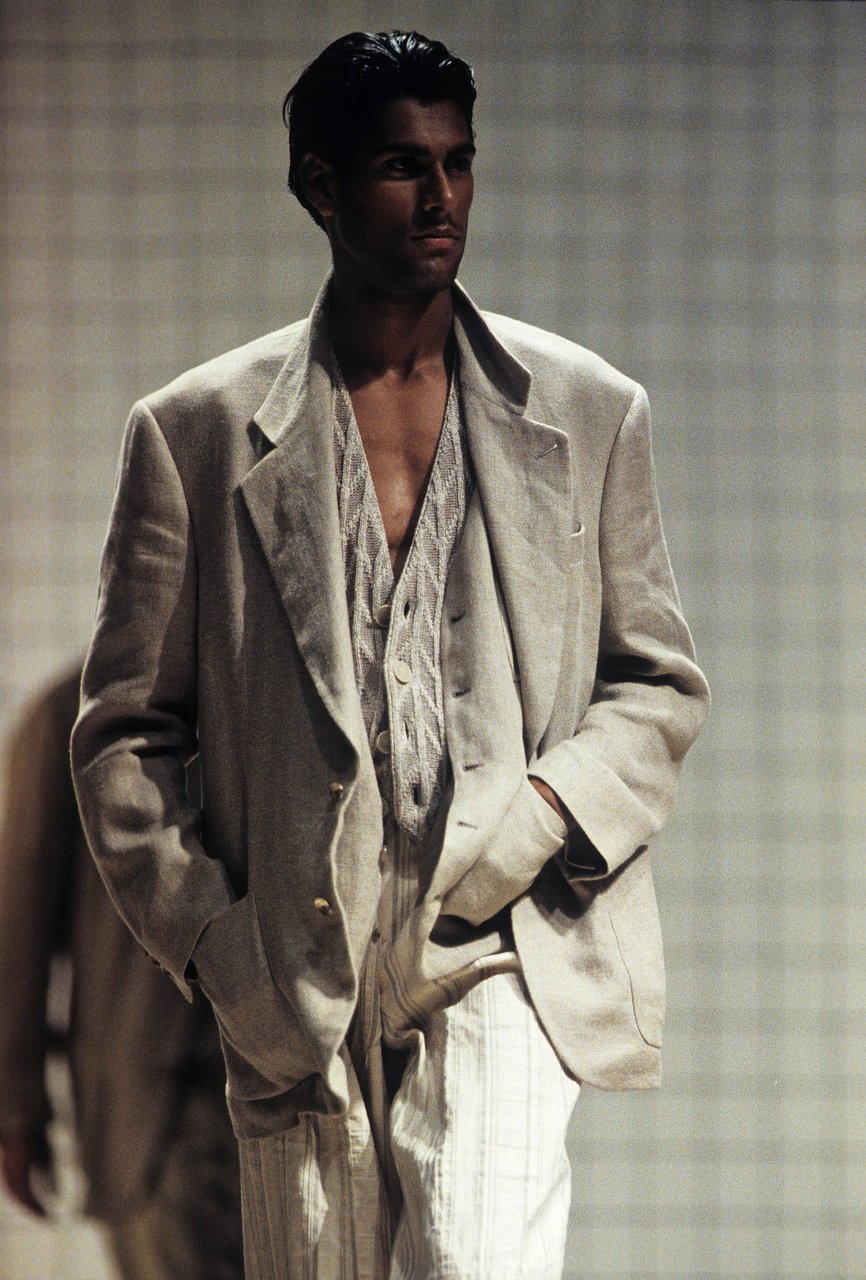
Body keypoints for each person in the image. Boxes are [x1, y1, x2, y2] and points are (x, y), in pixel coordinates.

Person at [71, 29, 710, 1280]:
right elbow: (123, 736)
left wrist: (542, 811)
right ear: (319, 186)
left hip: (501, 941)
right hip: (296, 973)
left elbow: (656, 683)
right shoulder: (195, 432)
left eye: (457, 162)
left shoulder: (584, 411)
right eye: (401, 165)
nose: (440, 197)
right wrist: (214, 943)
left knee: (476, 1256)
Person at [0, 664, 243, 1280]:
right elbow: (19, 928)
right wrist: (17, 1109)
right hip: (156, 1111)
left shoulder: (257, 684)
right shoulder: (72, 713)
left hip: (249, 1093)